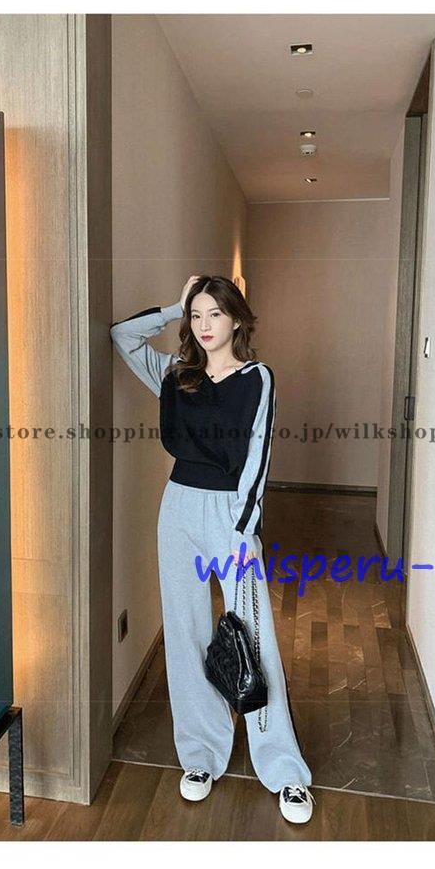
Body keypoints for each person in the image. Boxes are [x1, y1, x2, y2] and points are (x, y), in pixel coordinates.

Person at [110, 274, 315, 824]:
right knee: (186, 632)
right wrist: (172, 305)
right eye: (195, 315)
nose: (203, 325)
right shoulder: (176, 374)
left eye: (214, 314)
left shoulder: (257, 378)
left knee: (253, 636)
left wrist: (243, 526)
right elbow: (122, 336)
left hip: (231, 515)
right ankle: (200, 755)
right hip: (178, 507)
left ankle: (284, 769)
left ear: (237, 319)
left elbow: (259, 454)